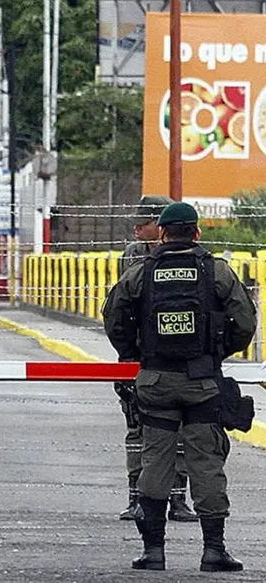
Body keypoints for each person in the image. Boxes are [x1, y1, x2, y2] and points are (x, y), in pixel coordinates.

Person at [103, 202, 256, 572]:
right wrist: (217, 352)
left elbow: (113, 316)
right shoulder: (216, 270)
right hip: (201, 381)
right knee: (206, 462)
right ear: (197, 233)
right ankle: (213, 551)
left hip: (155, 380)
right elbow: (245, 321)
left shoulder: (143, 271)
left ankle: (153, 552)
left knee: (156, 460)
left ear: (162, 234)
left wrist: (132, 353)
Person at [114, 196, 197, 523]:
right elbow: (120, 308)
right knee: (137, 429)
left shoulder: (194, 257)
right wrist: (126, 353)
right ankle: (137, 496)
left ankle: (178, 498)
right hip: (140, 354)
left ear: (161, 227)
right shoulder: (133, 256)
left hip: (183, 357)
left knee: (182, 431)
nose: (137, 227)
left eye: (144, 222)